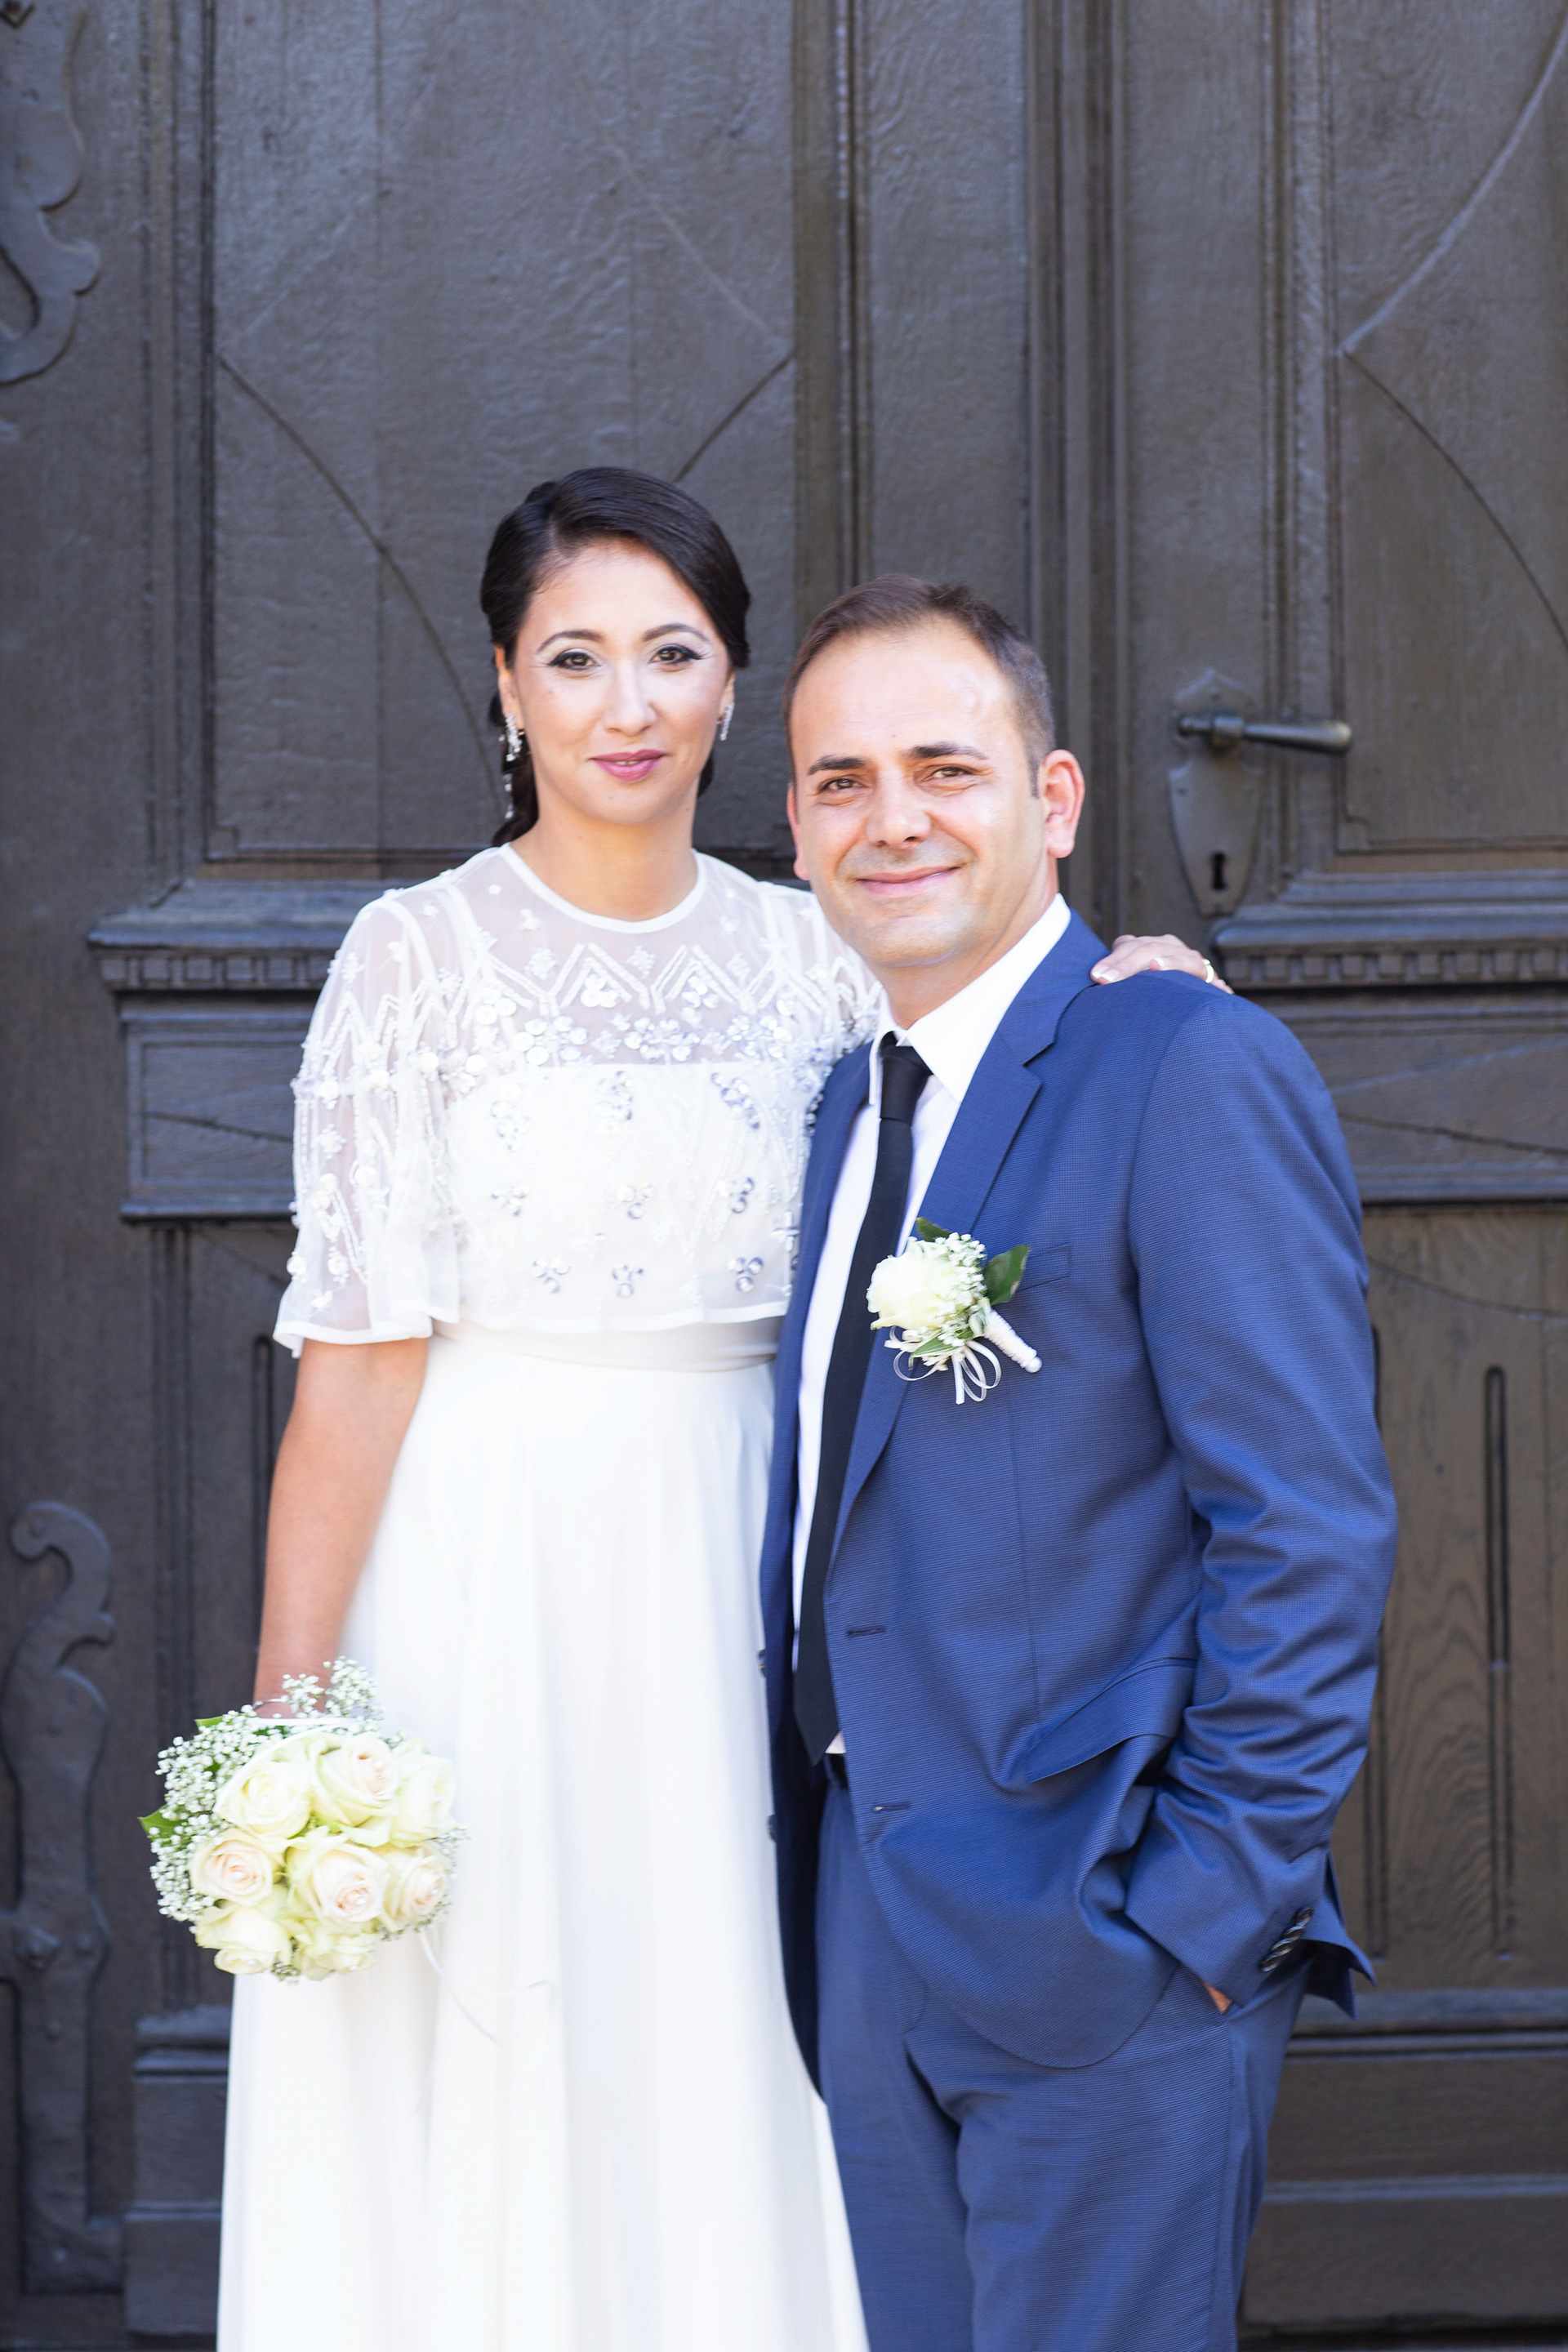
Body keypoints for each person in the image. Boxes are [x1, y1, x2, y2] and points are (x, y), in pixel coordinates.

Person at [216, 469, 1219, 2350]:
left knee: (742, 2006)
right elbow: (356, 1356)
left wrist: (1138, 983)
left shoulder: (815, 949)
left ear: (733, 684)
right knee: (510, 2007)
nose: (629, 704)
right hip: (493, 1559)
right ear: (505, 687)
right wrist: (292, 1719)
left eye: (671, 654)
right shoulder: (415, 957)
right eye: (574, 658)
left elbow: (1008, 1033)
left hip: (762, 1553)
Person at [764, 575, 1398, 2352]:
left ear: (1053, 802)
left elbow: (1307, 1526)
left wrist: (1198, 1913)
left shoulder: (1183, 1063)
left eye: (945, 769)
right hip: (870, 1921)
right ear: (796, 829)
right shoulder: (847, 1106)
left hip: (1106, 1926)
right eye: (841, 781)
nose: (892, 819)